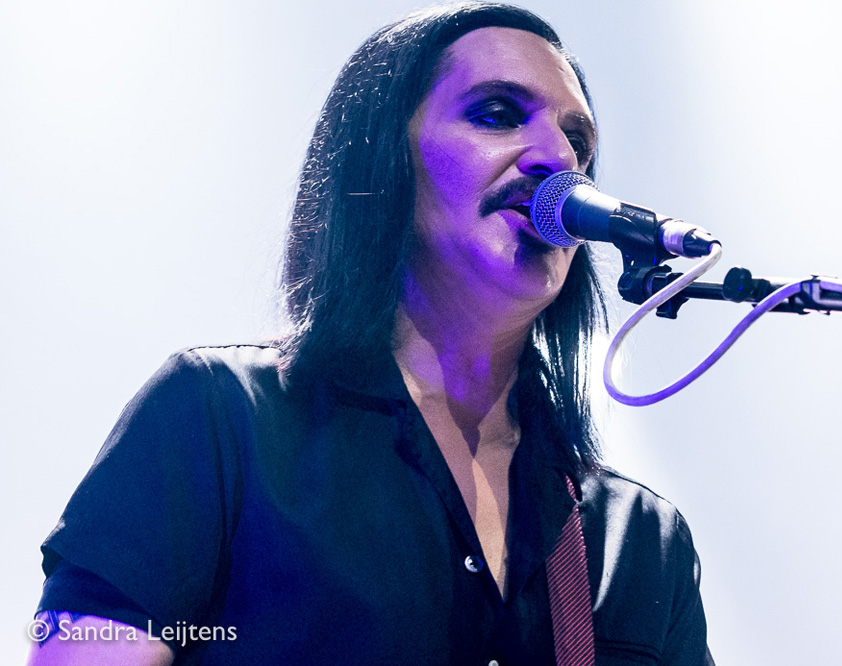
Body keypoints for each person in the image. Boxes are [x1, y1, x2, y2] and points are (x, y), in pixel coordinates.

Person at [28, 3, 714, 664]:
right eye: (498, 114)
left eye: (578, 142)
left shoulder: (640, 539)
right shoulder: (218, 418)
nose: (556, 157)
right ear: (383, 159)